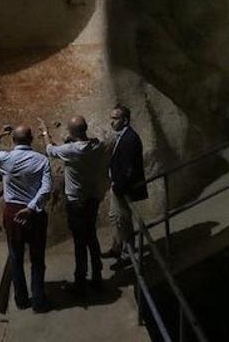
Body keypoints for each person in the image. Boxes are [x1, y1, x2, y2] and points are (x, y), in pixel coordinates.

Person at [0, 124, 52, 312]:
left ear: (13, 140)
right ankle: (38, 300)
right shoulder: (42, 160)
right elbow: (45, 189)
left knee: (15, 257)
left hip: (12, 212)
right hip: (34, 213)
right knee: (37, 258)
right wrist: (31, 208)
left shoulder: (6, 159)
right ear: (31, 140)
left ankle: (21, 299)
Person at [40, 116, 107, 295]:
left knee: (79, 241)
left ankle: (80, 280)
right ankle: (97, 275)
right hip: (92, 198)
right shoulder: (97, 145)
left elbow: (50, 150)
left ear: (71, 132)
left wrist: (45, 131)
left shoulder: (71, 150)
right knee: (92, 236)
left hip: (76, 201)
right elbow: (88, 142)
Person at [103, 104, 148, 270]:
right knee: (116, 218)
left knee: (123, 221)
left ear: (125, 120)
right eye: (111, 118)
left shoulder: (129, 139)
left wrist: (118, 188)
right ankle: (117, 248)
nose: (112, 122)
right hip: (118, 185)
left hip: (122, 187)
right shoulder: (123, 135)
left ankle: (128, 255)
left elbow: (129, 169)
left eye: (115, 119)